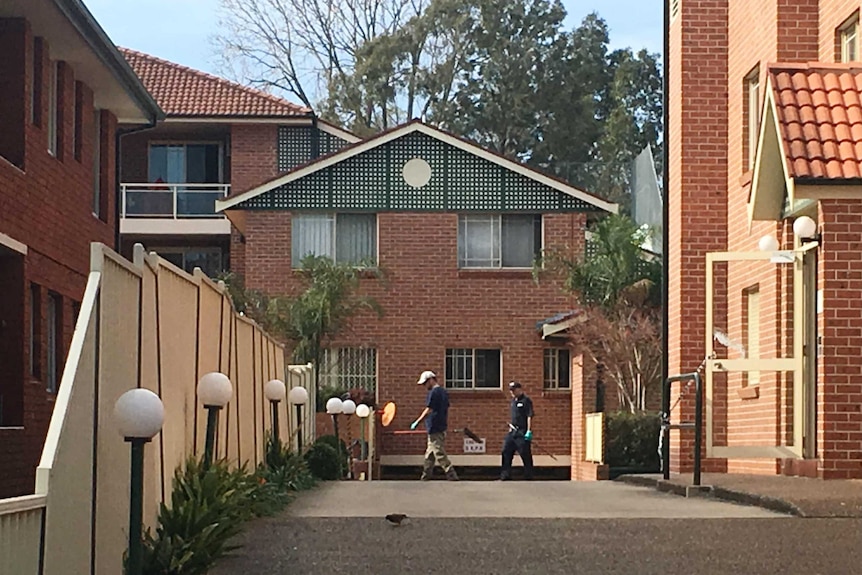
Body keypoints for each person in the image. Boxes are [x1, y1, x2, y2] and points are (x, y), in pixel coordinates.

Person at [410, 370, 459, 481]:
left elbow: (429, 409)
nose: (424, 386)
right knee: (430, 452)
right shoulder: (443, 392)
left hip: (435, 425)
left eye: (425, 383)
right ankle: (426, 474)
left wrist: (417, 421)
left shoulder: (434, 393)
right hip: (440, 424)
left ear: (431, 380)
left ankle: (450, 472)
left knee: (438, 451)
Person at [500, 381, 534, 481]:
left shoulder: (526, 401)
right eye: (511, 390)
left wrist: (529, 431)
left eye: (514, 390)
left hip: (522, 431)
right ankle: (505, 475)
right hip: (513, 431)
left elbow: (529, 416)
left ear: (519, 389)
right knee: (506, 451)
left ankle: (529, 475)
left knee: (525, 453)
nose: (512, 392)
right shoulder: (513, 402)